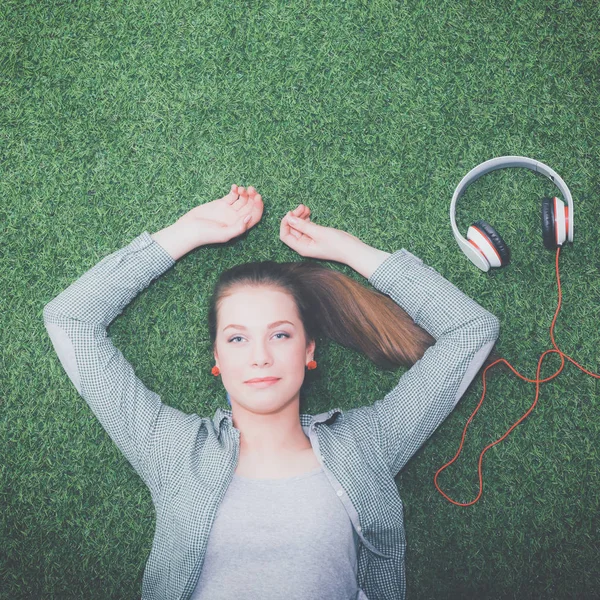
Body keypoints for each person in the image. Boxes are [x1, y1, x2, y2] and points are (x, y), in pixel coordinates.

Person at [43, 184, 501, 600]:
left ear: (308, 351)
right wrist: (183, 234)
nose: (260, 356)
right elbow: (70, 319)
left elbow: (472, 330)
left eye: (280, 335)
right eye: (238, 338)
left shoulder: (368, 445)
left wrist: (349, 250)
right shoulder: (174, 451)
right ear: (217, 360)